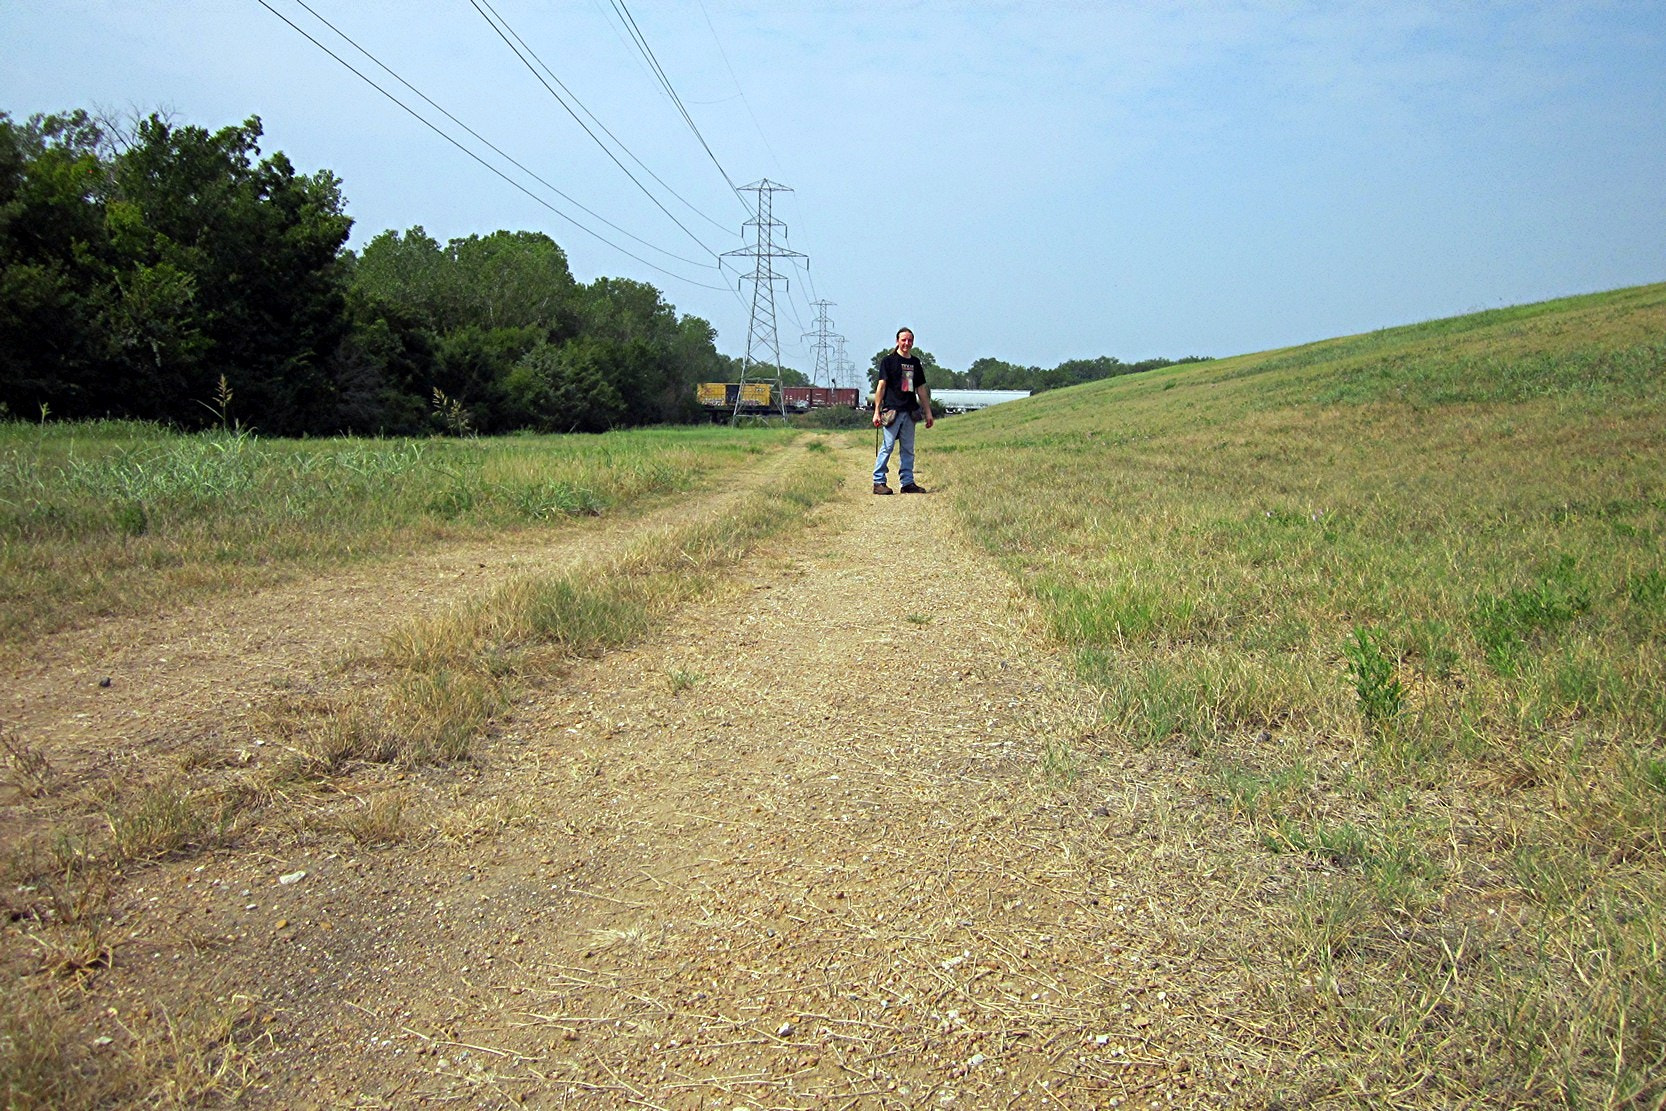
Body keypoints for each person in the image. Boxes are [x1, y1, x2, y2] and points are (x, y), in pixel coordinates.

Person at [872, 327, 934, 494]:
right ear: (897, 341)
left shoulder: (915, 363)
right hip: (892, 411)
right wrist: (876, 411)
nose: (906, 343)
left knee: (907, 448)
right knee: (888, 446)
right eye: (903, 340)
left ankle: (907, 483)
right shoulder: (888, 361)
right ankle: (879, 482)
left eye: (909, 340)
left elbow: (921, 389)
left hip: (910, 411)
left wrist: (928, 412)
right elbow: (881, 387)